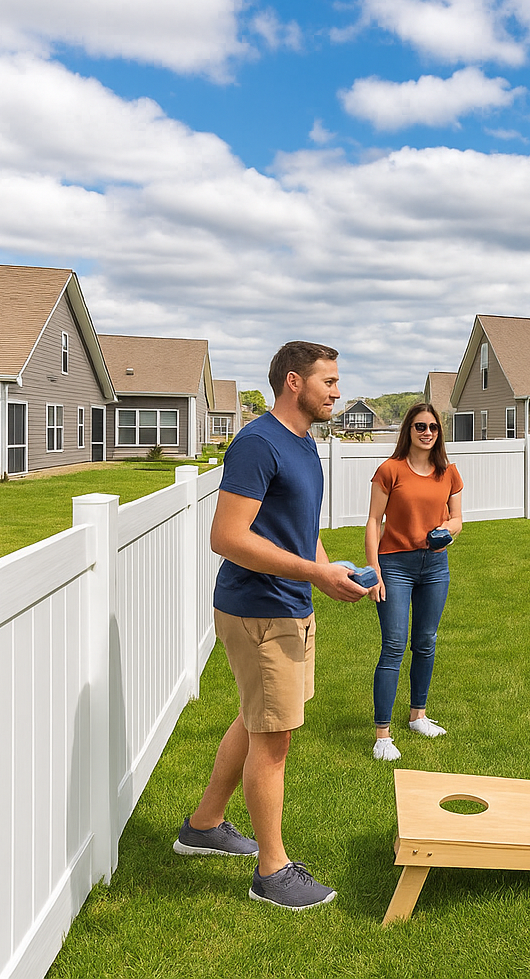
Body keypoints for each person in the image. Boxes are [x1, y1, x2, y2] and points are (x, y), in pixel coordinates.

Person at [174, 341, 368, 911]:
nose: (337, 391)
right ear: (293, 382)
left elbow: (295, 527)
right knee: (273, 738)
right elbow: (227, 538)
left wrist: (332, 570)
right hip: (259, 608)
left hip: (289, 603)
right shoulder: (257, 444)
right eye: (328, 381)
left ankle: (205, 825)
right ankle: (272, 871)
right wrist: (314, 573)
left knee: (259, 719)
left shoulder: (303, 445)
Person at [365, 403, 464, 762]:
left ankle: (418, 716)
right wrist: (374, 570)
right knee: (393, 645)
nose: (427, 432)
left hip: (435, 566)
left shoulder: (448, 472)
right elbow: (374, 521)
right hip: (395, 565)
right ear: (408, 429)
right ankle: (382, 735)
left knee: (425, 641)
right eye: (420, 426)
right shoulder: (390, 471)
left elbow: (458, 520)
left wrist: (447, 531)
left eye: (433, 428)